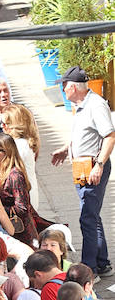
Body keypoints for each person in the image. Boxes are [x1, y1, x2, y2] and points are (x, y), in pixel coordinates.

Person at [50, 67, 115, 276]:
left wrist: (99, 165)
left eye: (63, 85)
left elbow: (110, 136)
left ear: (72, 87)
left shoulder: (95, 105)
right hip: (84, 167)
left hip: (93, 168)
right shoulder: (80, 105)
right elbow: (85, 135)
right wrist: (66, 148)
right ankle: (102, 263)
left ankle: (89, 269)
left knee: (87, 217)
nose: (62, 89)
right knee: (92, 215)